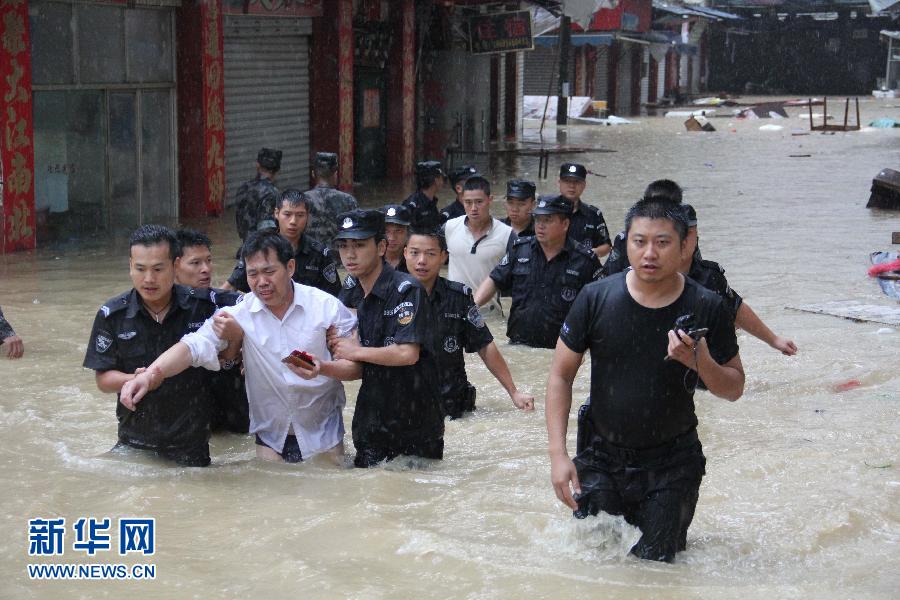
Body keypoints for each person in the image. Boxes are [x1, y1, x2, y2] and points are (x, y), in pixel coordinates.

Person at [546, 199, 744, 563]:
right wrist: (558, 455)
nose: (649, 253)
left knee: (655, 568)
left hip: (673, 463)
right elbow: (560, 375)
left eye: (662, 242)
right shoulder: (596, 298)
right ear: (626, 244)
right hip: (602, 458)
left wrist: (700, 361)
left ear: (686, 246)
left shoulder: (708, 306)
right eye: (639, 241)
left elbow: (734, 387)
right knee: (594, 563)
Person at [120, 230, 359, 464]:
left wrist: (323, 368)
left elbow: (355, 369)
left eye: (269, 271)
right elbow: (193, 346)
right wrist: (151, 375)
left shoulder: (326, 308)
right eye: (252, 274)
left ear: (290, 268)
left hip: (325, 436)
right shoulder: (240, 314)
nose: (261, 282)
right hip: (270, 440)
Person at [83, 225, 228, 467]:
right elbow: (103, 380)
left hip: (190, 445)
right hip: (134, 443)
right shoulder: (112, 315)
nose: (149, 279)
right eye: (140, 269)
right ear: (130, 265)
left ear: (176, 265)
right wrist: (135, 378)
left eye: (158, 269)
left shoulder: (203, 305)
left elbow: (257, 306)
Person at [605, 183, 797, 356]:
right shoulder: (627, 278)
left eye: (691, 235)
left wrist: (773, 340)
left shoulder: (708, 277)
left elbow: (735, 307)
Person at [329, 209, 444, 467]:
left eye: (359, 245)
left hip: (414, 427)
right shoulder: (354, 294)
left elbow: (407, 353)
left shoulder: (407, 290)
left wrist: (354, 351)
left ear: (381, 247)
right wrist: (319, 368)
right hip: (372, 424)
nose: (349, 254)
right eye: (344, 246)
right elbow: (359, 367)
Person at [403, 228, 534, 418]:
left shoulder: (459, 297)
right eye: (415, 253)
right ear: (405, 253)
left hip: (453, 405)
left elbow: (485, 346)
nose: (421, 260)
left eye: (430, 254)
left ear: (443, 257)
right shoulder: (390, 297)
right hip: (407, 406)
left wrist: (514, 392)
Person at [474, 195, 601, 349]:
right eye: (538, 219)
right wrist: (472, 308)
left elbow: (600, 304)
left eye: (547, 220)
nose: (540, 225)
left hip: (562, 350)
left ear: (565, 224)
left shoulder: (585, 260)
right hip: (519, 346)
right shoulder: (520, 250)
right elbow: (494, 279)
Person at [174, 229, 249, 434]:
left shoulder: (232, 304)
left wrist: (238, 337)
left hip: (234, 413)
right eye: (196, 263)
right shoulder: (161, 313)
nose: (206, 269)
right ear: (174, 266)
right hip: (185, 420)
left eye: (208, 260)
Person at [227, 190, 341, 297]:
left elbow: (336, 299)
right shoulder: (257, 247)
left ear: (307, 216)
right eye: (287, 214)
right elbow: (231, 286)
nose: (293, 221)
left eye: (300, 215)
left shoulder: (320, 254)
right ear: (276, 213)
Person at [444, 176, 514, 313]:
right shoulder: (449, 227)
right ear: (462, 201)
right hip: (453, 311)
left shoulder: (507, 234)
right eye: (468, 202)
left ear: (490, 200)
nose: (473, 208)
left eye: (479, 202)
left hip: (490, 315)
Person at [303, 151, 359, 247]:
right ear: (335, 174)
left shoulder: (302, 199)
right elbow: (355, 232)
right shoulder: (349, 200)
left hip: (310, 256)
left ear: (313, 174)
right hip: (338, 256)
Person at [558, 163, 611, 258]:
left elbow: (606, 246)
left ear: (584, 185)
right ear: (559, 183)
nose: (572, 186)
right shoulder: (547, 211)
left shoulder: (593, 214)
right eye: (567, 181)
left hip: (584, 269)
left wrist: (587, 254)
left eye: (576, 182)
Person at [235, 147, 282, 243]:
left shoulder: (243, 188)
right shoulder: (272, 193)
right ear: (278, 170)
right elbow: (267, 230)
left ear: (257, 165)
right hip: (261, 248)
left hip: (245, 247)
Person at [402, 160, 445, 229]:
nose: (443, 181)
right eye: (442, 178)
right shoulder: (413, 205)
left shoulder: (431, 201)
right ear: (436, 180)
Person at [501, 179, 537, 247]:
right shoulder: (497, 228)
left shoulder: (540, 232)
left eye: (521, 204)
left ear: (533, 205)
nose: (515, 209)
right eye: (510, 203)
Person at [382, 204, 411, 273]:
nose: (392, 238)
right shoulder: (370, 261)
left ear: (408, 233)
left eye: (398, 231)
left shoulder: (415, 262)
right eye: (386, 231)